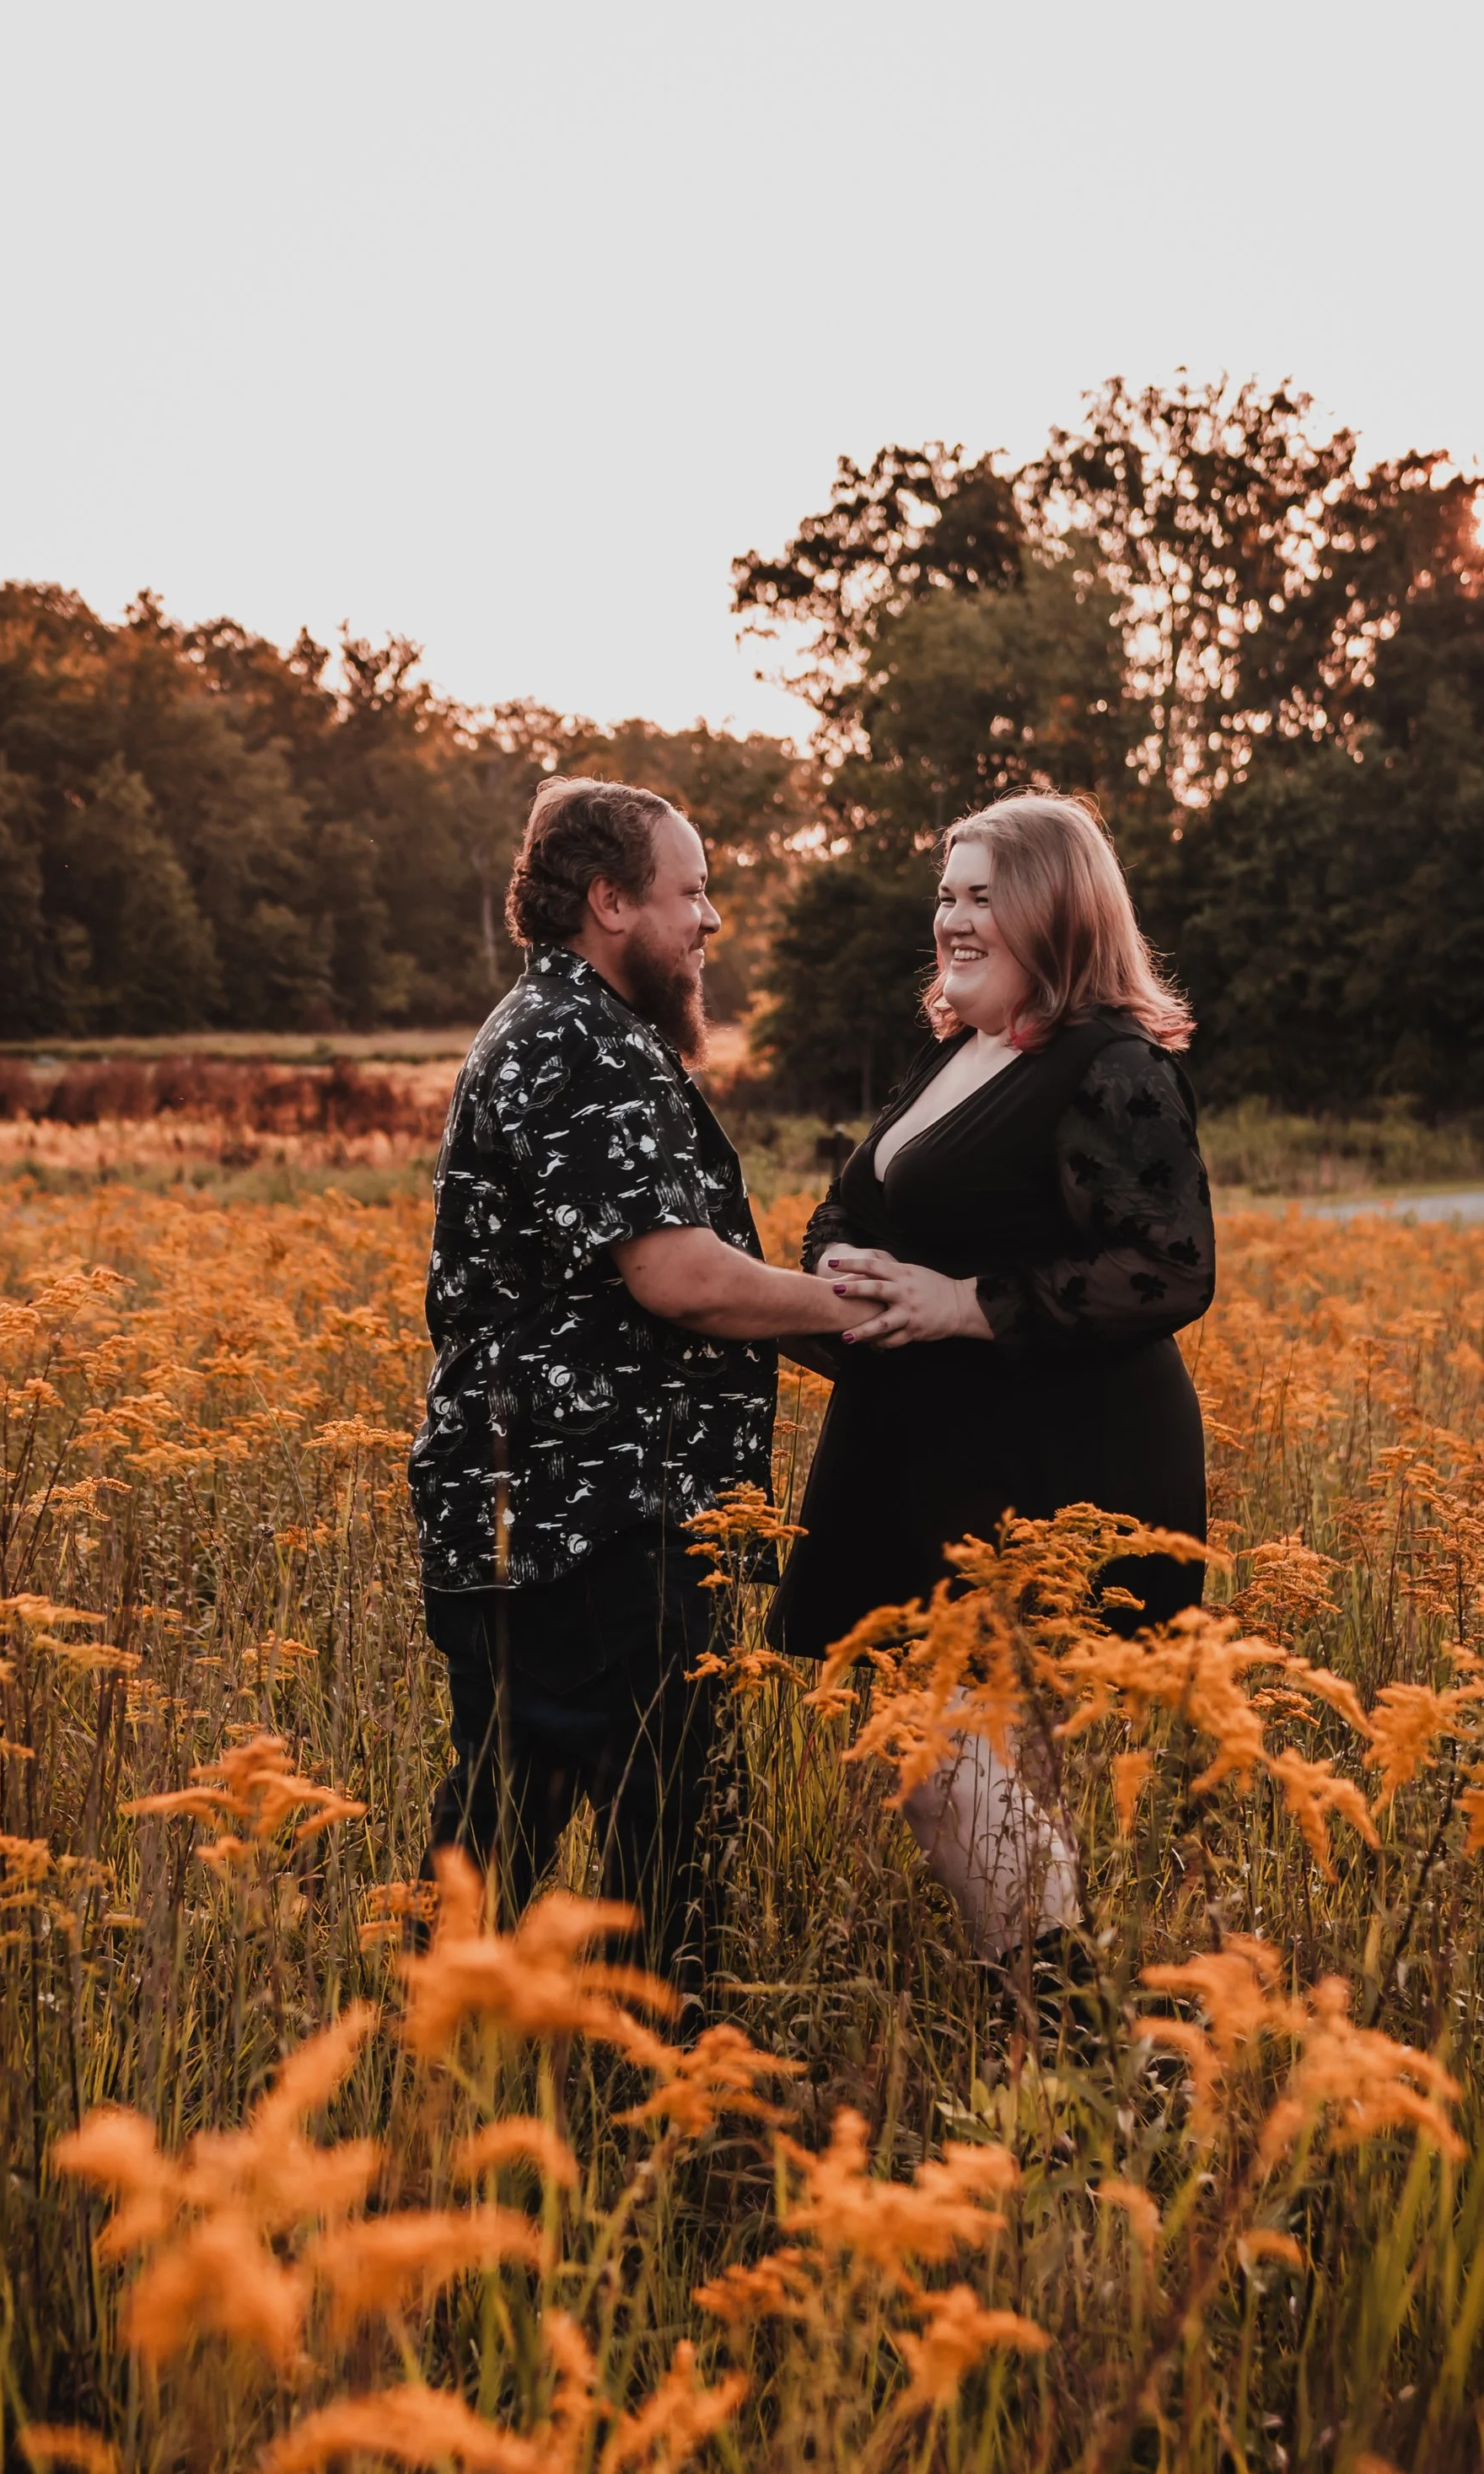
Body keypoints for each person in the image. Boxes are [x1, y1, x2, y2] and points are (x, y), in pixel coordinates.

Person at [409, 776, 880, 1988]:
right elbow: (676, 1277)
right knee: (649, 1838)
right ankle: (648, 2105)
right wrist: (871, 1316)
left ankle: (461, 2082)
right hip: (588, 1516)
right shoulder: (579, 1039)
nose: (711, 921)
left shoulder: (577, 1031)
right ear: (610, 903)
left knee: (516, 1819)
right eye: (693, 892)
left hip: (561, 1507)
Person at [766, 792, 1215, 1967]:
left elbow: (1167, 1267)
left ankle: (1075, 2027)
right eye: (946, 895)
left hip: (1057, 1462)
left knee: (943, 1762)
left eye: (981, 896)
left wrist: (962, 1303)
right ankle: (1069, 2024)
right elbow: (850, 1203)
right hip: (934, 1458)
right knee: (968, 1764)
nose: (951, 919)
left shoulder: (1108, 1065)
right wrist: (839, 1264)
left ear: (1054, 910)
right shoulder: (952, 1055)